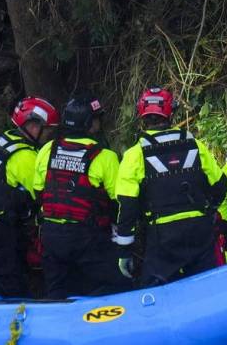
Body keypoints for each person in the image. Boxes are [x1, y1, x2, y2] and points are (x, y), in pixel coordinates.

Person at [113, 86, 227, 287]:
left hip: (162, 237)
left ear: (142, 115)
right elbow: (221, 187)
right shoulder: (195, 145)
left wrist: (124, 251)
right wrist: (207, 211)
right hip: (199, 232)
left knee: (156, 292)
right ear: (171, 112)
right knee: (208, 288)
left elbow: (127, 207)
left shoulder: (134, 155)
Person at [33, 94, 132, 299]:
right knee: (115, 287)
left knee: (56, 293)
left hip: (51, 236)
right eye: (96, 119)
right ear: (89, 123)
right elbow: (119, 202)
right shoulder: (105, 157)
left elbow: (38, 192)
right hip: (88, 237)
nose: (99, 123)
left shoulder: (47, 150)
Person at [0, 96, 59, 297]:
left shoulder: (6, 139)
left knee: (17, 280)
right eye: (48, 131)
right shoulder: (25, 157)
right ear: (33, 126)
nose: (49, 137)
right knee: (10, 286)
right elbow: (46, 195)